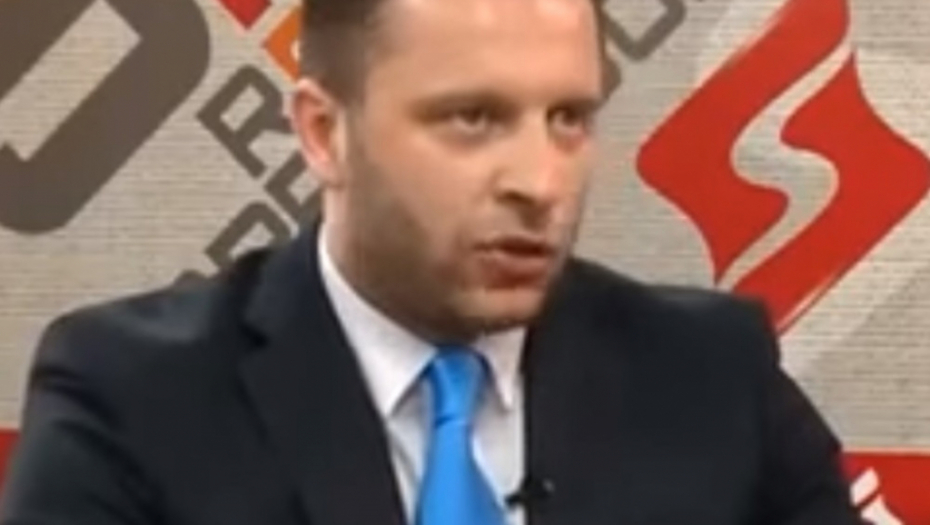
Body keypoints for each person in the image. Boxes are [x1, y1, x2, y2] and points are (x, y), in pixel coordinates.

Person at [0, 0, 863, 523]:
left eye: (567, 118)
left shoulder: (710, 374)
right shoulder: (132, 397)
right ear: (322, 132)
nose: (540, 182)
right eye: (472, 118)